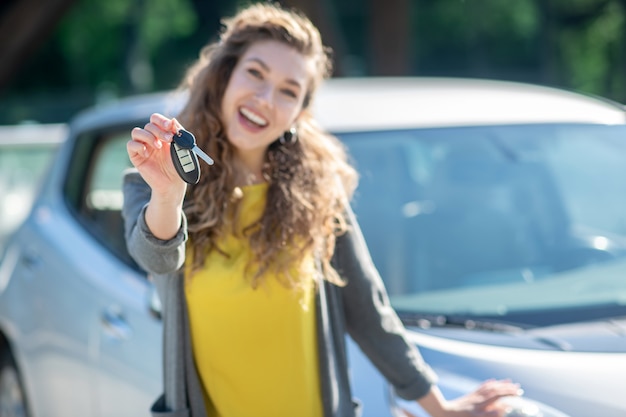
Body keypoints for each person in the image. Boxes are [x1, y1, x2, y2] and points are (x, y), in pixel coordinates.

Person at [122, 3, 522, 417]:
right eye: (255, 74)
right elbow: (157, 258)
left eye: (288, 91)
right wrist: (168, 197)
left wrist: (439, 408)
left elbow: (368, 310)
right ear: (224, 77)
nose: (264, 99)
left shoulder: (316, 196)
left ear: (300, 112)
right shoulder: (154, 182)